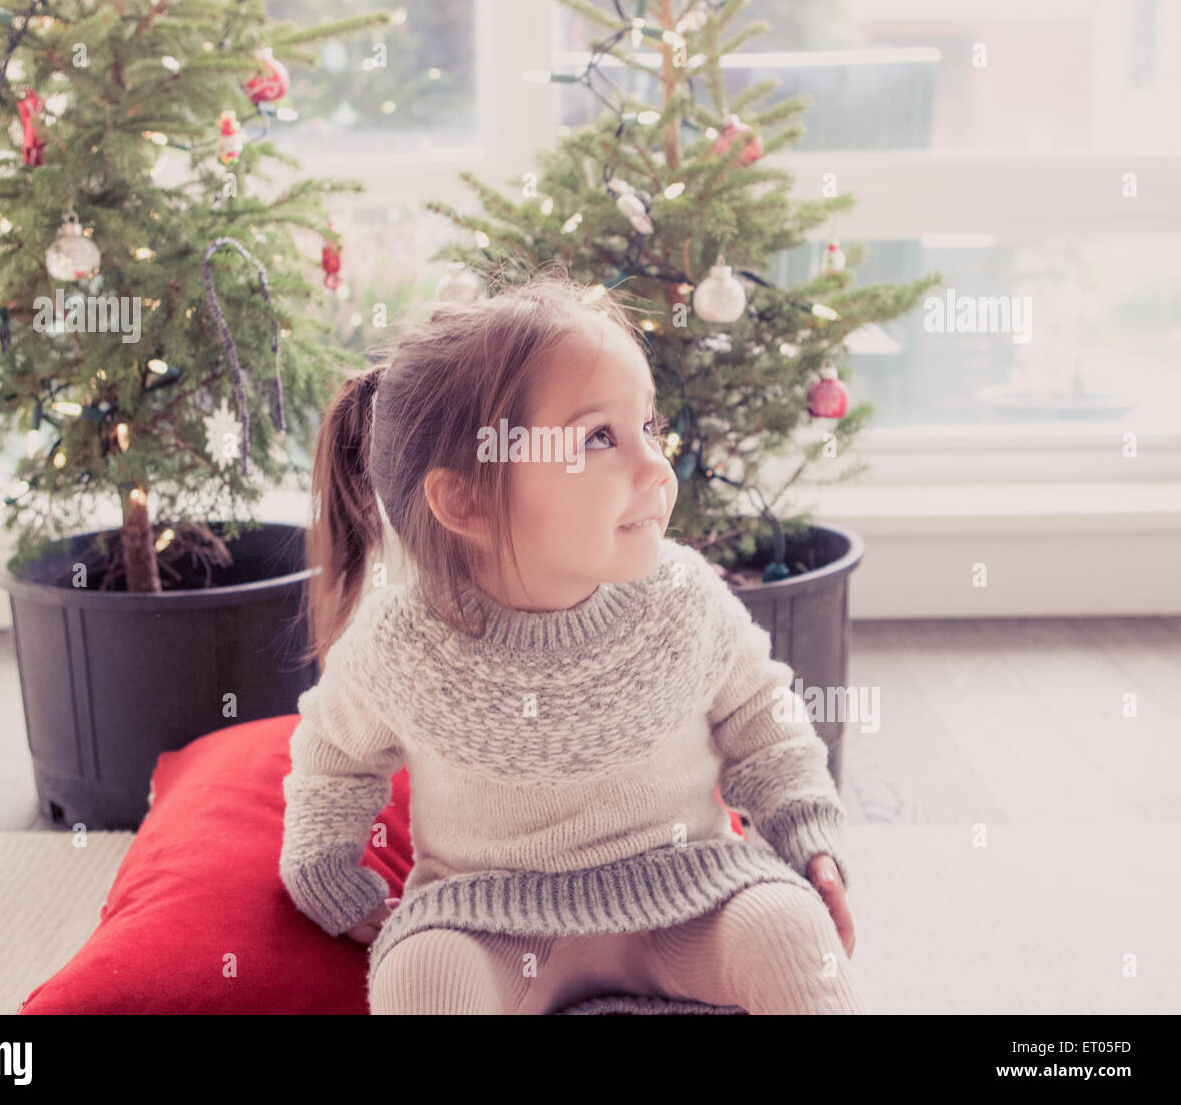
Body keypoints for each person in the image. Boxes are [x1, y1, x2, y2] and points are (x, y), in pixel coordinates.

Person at [279, 268, 864, 1014]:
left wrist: (807, 835)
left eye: (648, 427)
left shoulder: (682, 595)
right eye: (599, 438)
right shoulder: (403, 638)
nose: (657, 467)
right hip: (487, 916)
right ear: (465, 499)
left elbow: (766, 723)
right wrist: (325, 867)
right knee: (420, 979)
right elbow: (334, 758)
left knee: (791, 935)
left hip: (688, 890)